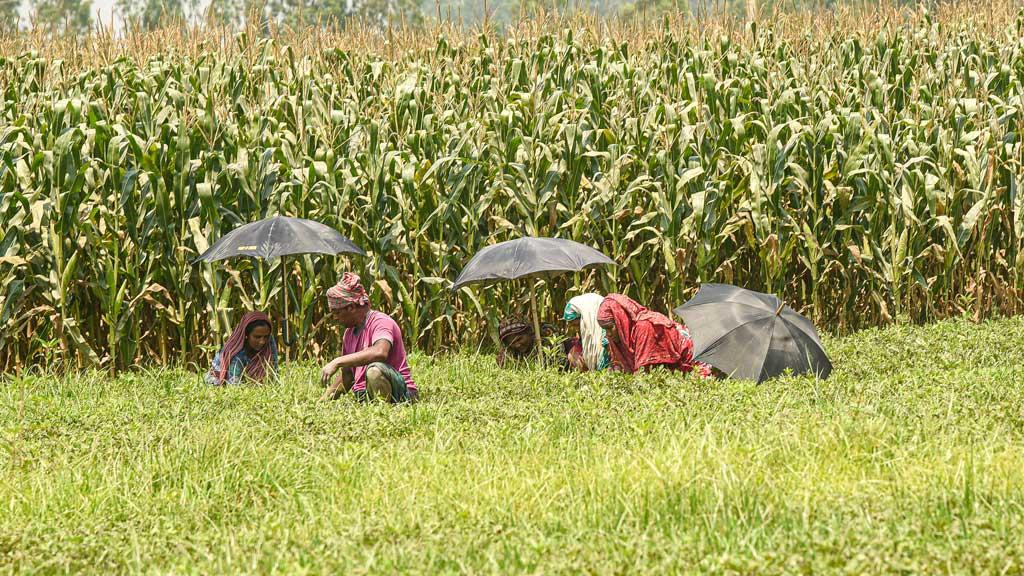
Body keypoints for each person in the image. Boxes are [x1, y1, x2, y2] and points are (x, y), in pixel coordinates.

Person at [319, 272, 418, 403]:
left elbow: (380, 352)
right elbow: (347, 377)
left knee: (374, 371)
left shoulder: (380, 321)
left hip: (400, 393)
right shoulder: (349, 334)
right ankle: (374, 407)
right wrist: (323, 401)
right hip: (366, 395)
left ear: (351, 307)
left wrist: (337, 361)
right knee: (371, 373)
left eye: (337, 313)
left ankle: (383, 413)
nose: (335, 318)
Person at [596, 294, 712, 377]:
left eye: (610, 328)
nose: (608, 334)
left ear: (621, 320)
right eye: (604, 329)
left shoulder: (645, 327)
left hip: (695, 365)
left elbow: (645, 374)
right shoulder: (622, 335)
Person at [205, 311, 278, 385]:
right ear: (246, 335)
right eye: (257, 337)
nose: (262, 341)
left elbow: (274, 370)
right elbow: (233, 386)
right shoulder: (235, 354)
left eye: (266, 336)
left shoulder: (269, 340)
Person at [562, 293, 611, 372]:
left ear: (586, 318)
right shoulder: (586, 333)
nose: (575, 330)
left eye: (576, 325)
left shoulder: (608, 330)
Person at [496, 317, 566, 368]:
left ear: (529, 331)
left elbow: (560, 363)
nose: (517, 345)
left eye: (519, 339)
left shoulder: (547, 335)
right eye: (512, 343)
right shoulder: (509, 350)